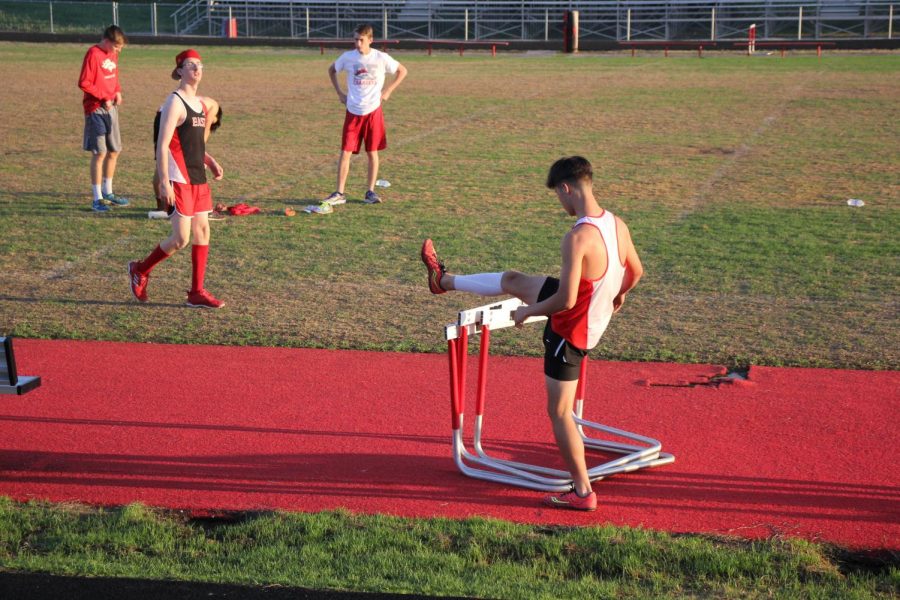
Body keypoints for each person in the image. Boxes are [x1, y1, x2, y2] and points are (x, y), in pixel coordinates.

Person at [420, 156, 644, 511]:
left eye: (557, 195)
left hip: (572, 333)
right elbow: (636, 270)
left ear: (566, 188)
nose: (560, 203)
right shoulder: (617, 224)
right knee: (514, 281)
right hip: (590, 312)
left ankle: (583, 493)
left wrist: (528, 312)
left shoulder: (577, 237)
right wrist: (619, 293)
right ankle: (443, 282)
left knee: (559, 412)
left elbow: (565, 300)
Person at [128, 49, 225, 309]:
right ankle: (140, 268)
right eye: (191, 65)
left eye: (200, 65)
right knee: (181, 239)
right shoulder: (174, 102)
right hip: (178, 177)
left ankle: (196, 292)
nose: (197, 69)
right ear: (179, 71)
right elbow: (162, 145)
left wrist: (210, 160)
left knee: (203, 230)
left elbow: (192, 144)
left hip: (198, 176)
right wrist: (163, 182)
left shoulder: (201, 105)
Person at [322, 24, 407, 207]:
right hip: (353, 111)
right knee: (345, 152)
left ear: (370, 40)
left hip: (373, 111)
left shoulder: (380, 58)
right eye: (355, 40)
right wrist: (340, 93)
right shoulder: (348, 57)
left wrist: (388, 91)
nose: (358, 43)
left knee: (372, 152)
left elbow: (402, 71)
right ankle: (339, 193)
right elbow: (331, 70)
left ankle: (370, 192)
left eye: (361, 40)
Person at [78, 25, 129, 212]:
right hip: (96, 109)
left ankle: (108, 192)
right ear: (107, 41)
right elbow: (84, 83)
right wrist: (103, 97)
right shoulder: (93, 53)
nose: (119, 50)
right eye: (117, 47)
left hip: (111, 108)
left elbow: (113, 77)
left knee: (114, 151)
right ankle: (97, 198)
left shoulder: (112, 55)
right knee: (99, 153)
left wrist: (117, 92)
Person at [151, 97, 223, 217]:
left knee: (163, 158)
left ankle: (161, 205)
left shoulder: (194, 100)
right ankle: (186, 203)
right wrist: (205, 158)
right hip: (175, 116)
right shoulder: (213, 106)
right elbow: (201, 139)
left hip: (162, 114)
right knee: (181, 157)